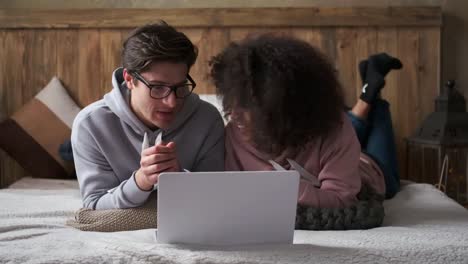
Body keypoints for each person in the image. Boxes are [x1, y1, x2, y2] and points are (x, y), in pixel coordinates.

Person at [210, 34, 401, 210]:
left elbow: (341, 200)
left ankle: (373, 98)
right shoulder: (235, 133)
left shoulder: (334, 129)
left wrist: (281, 188)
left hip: (367, 171)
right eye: (232, 103)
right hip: (336, 153)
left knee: (390, 179)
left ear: (281, 108)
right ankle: (367, 97)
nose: (233, 115)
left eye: (245, 105)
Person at [72, 22, 225, 210]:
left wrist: (179, 179)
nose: (172, 102)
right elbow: (94, 204)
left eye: (179, 87)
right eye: (158, 87)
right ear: (129, 79)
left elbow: (216, 198)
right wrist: (140, 181)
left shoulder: (207, 119)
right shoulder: (90, 125)